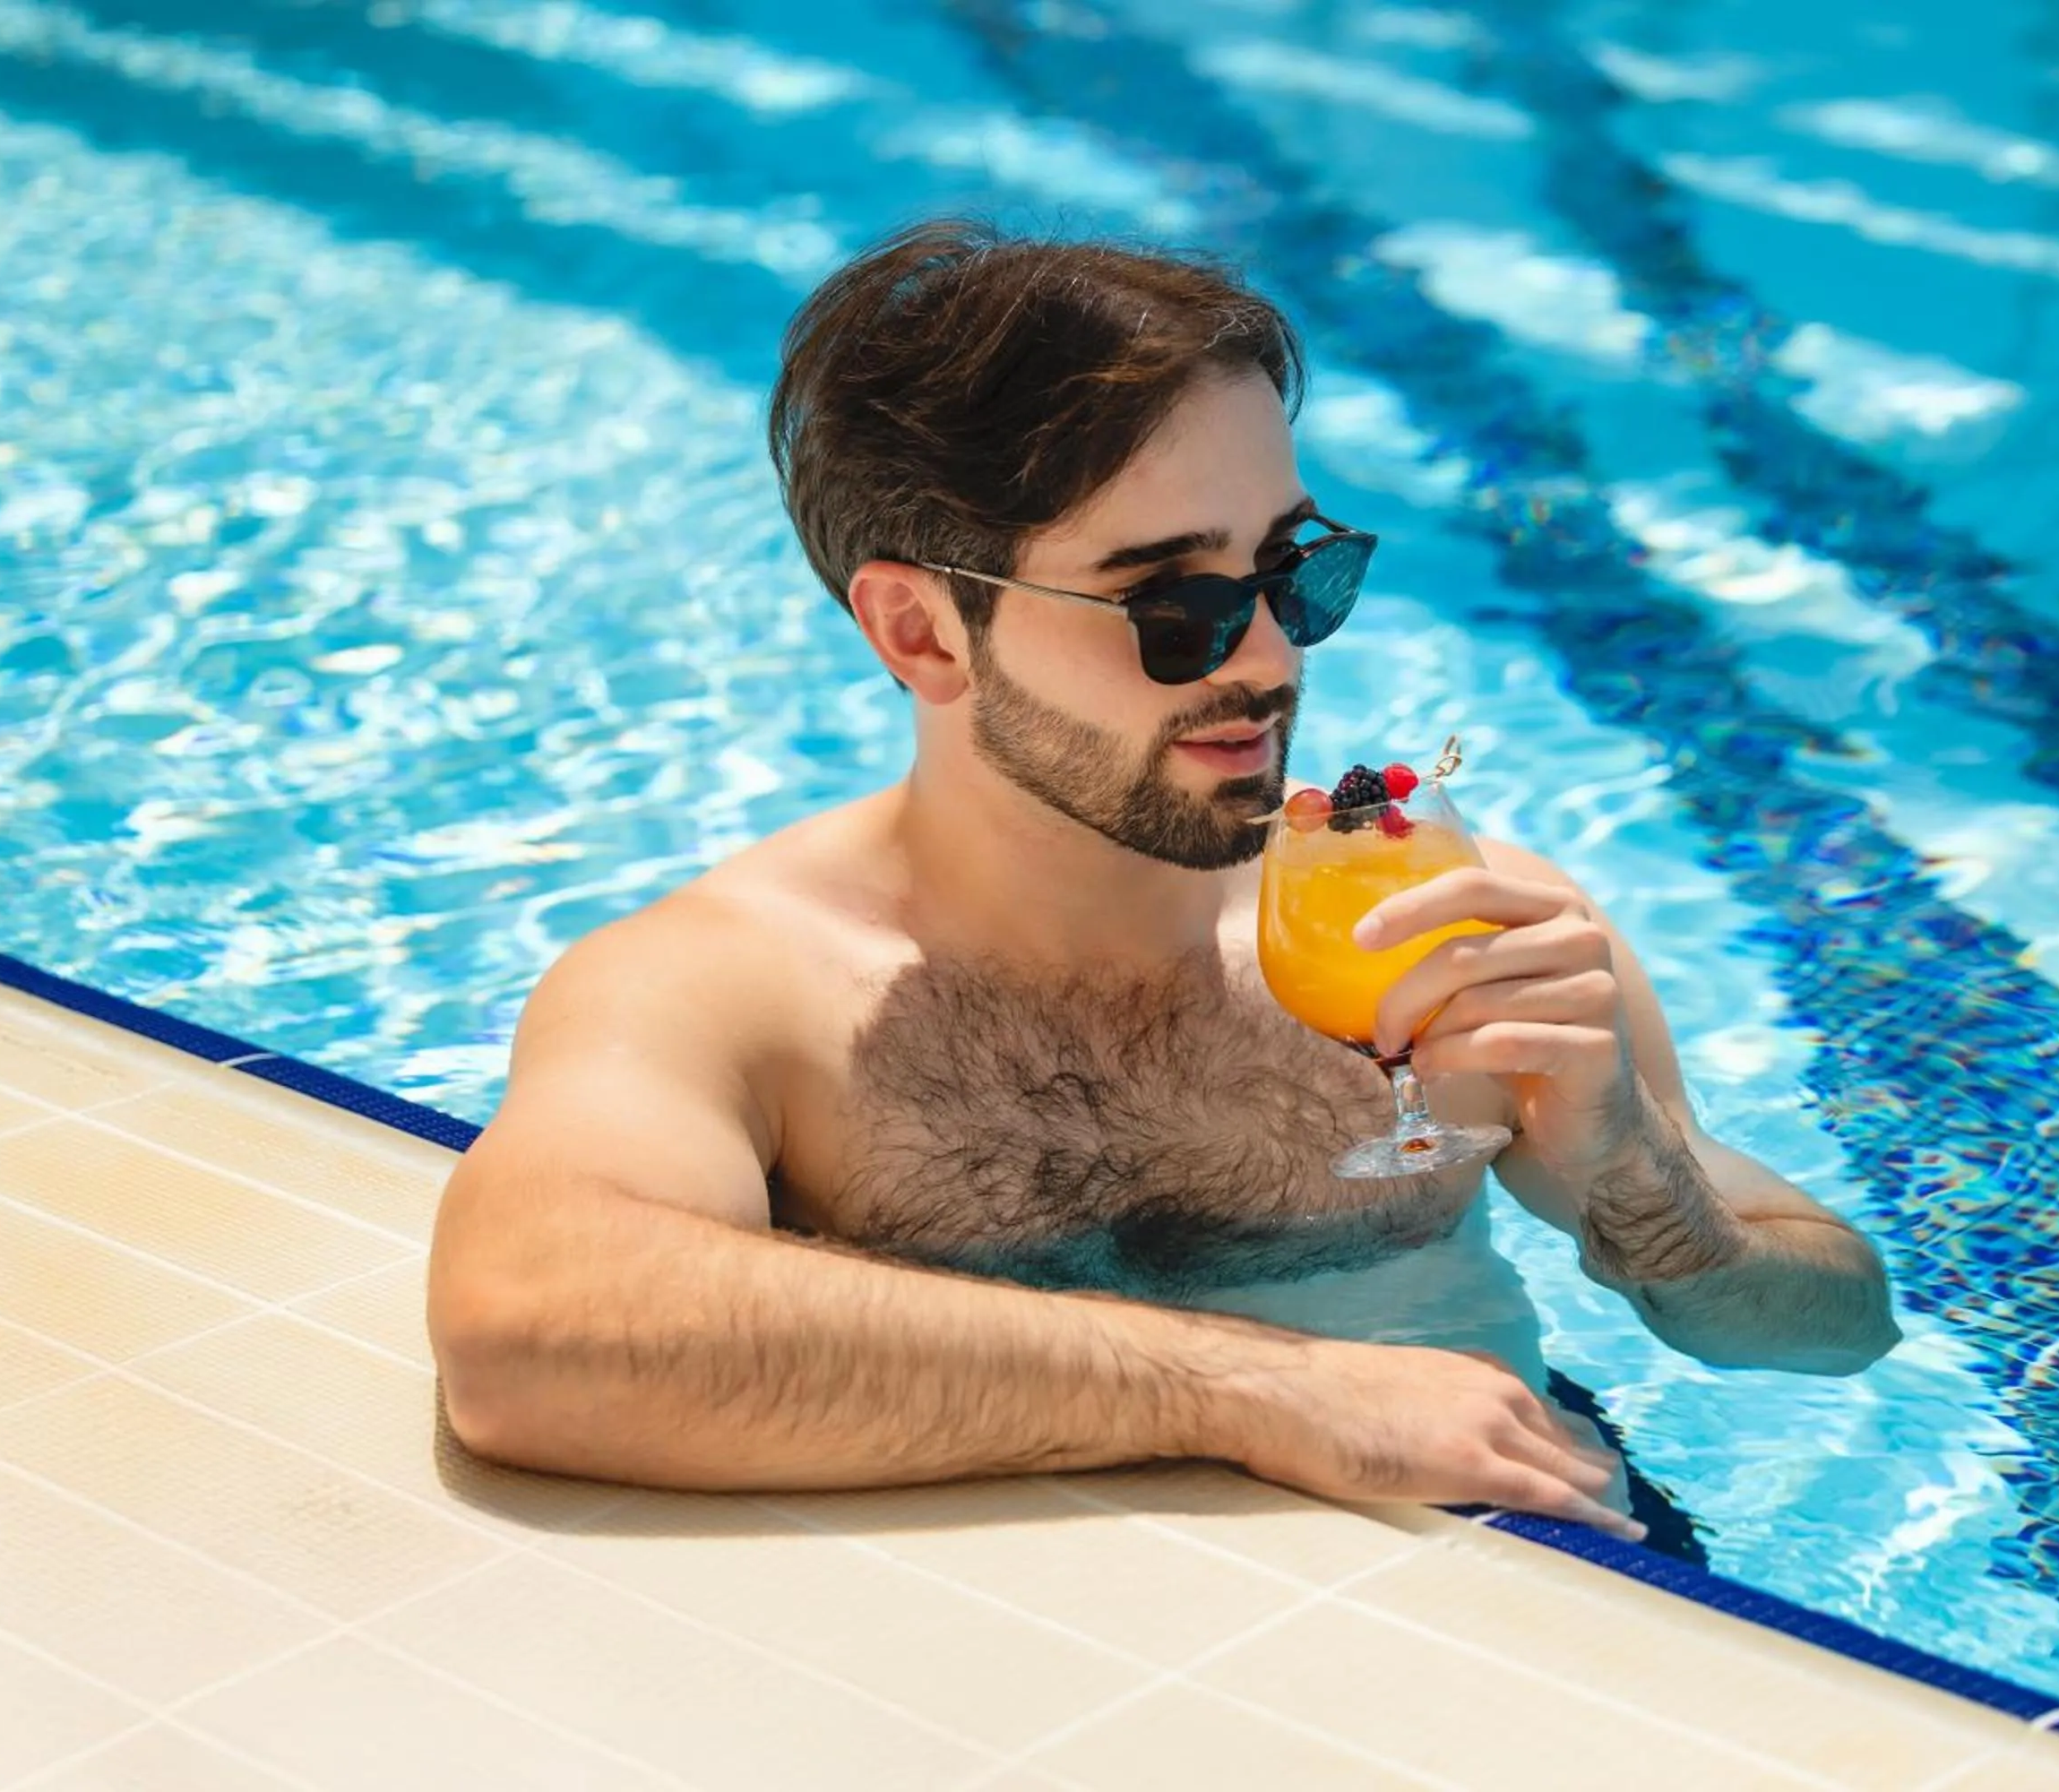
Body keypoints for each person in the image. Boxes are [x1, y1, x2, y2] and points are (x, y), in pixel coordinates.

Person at [427, 220, 1899, 1550]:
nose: (1267, 659)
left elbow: (1828, 1334)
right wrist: (1261, 1394)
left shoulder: (1449, 927)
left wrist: (1645, 1191)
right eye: (1174, 604)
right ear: (923, 632)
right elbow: (529, 1336)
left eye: (1293, 571)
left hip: (1489, 1597)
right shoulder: (742, 990)